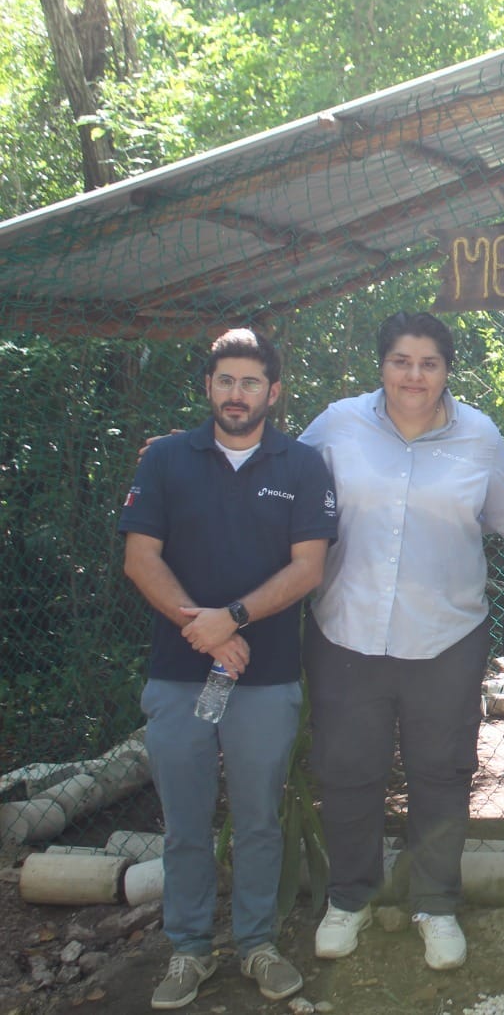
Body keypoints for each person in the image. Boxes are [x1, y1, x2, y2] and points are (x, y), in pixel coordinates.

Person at [120, 330, 336, 1009]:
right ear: (208, 387)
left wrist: (232, 620)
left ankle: (256, 945)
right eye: (225, 381)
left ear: (273, 392)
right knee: (184, 821)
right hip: (178, 673)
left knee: (258, 818)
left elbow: (308, 567)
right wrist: (201, 628)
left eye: (250, 383)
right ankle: (187, 951)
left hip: (267, 677)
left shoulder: (302, 465)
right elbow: (139, 558)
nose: (236, 394)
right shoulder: (164, 460)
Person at [301, 312, 504, 971]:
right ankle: (349, 898)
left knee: (442, 772)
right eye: (401, 361)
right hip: (346, 631)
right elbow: (275, 480)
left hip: (447, 636)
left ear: (448, 369)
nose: (414, 375)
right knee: (347, 771)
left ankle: (436, 904)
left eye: (428, 363)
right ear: (381, 365)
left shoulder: (479, 436)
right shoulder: (338, 424)